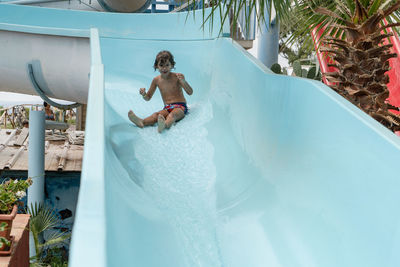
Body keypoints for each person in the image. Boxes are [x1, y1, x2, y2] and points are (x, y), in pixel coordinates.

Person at [128, 50, 193, 133]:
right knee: (156, 115)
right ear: (156, 66)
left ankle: (165, 125)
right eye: (161, 65)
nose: (164, 68)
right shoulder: (156, 80)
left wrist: (184, 82)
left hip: (180, 107)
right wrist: (144, 94)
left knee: (172, 115)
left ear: (172, 65)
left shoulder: (178, 77)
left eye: (167, 65)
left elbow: (190, 92)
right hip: (167, 108)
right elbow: (148, 98)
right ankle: (142, 122)